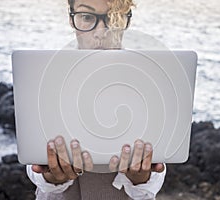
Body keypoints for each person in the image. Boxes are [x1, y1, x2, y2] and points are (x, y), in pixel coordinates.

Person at [26, 0, 166, 199]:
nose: (101, 32)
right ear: (71, 18)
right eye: (87, 17)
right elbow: (32, 155)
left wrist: (142, 178)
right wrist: (51, 178)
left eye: (111, 18)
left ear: (127, 19)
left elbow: (160, 159)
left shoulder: (145, 77)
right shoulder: (48, 73)